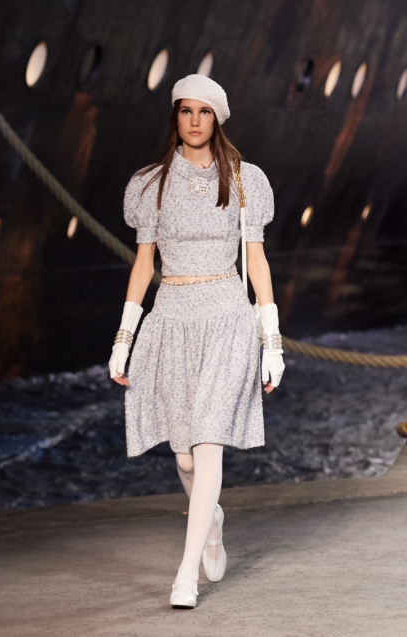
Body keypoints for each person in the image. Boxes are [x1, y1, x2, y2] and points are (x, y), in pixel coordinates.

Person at [108, 74, 285, 609]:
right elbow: (144, 265)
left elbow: (256, 262)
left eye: (204, 111)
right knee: (184, 458)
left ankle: (185, 576)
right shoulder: (150, 184)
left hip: (228, 316)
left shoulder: (244, 179)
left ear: (217, 118)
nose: (194, 120)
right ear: (176, 117)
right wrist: (123, 339)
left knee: (209, 441)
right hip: (172, 319)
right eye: (186, 111)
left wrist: (271, 341)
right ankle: (212, 523)